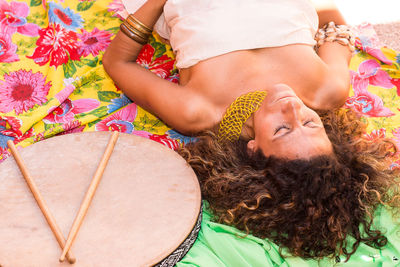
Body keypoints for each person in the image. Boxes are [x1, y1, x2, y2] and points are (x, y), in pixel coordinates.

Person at [103, 0, 400, 264]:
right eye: (311, 124)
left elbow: (118, 62)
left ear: (253, 150)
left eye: (282, 129)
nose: (292, 109)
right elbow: (332, 18)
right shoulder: (328, 90)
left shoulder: (199, 110)